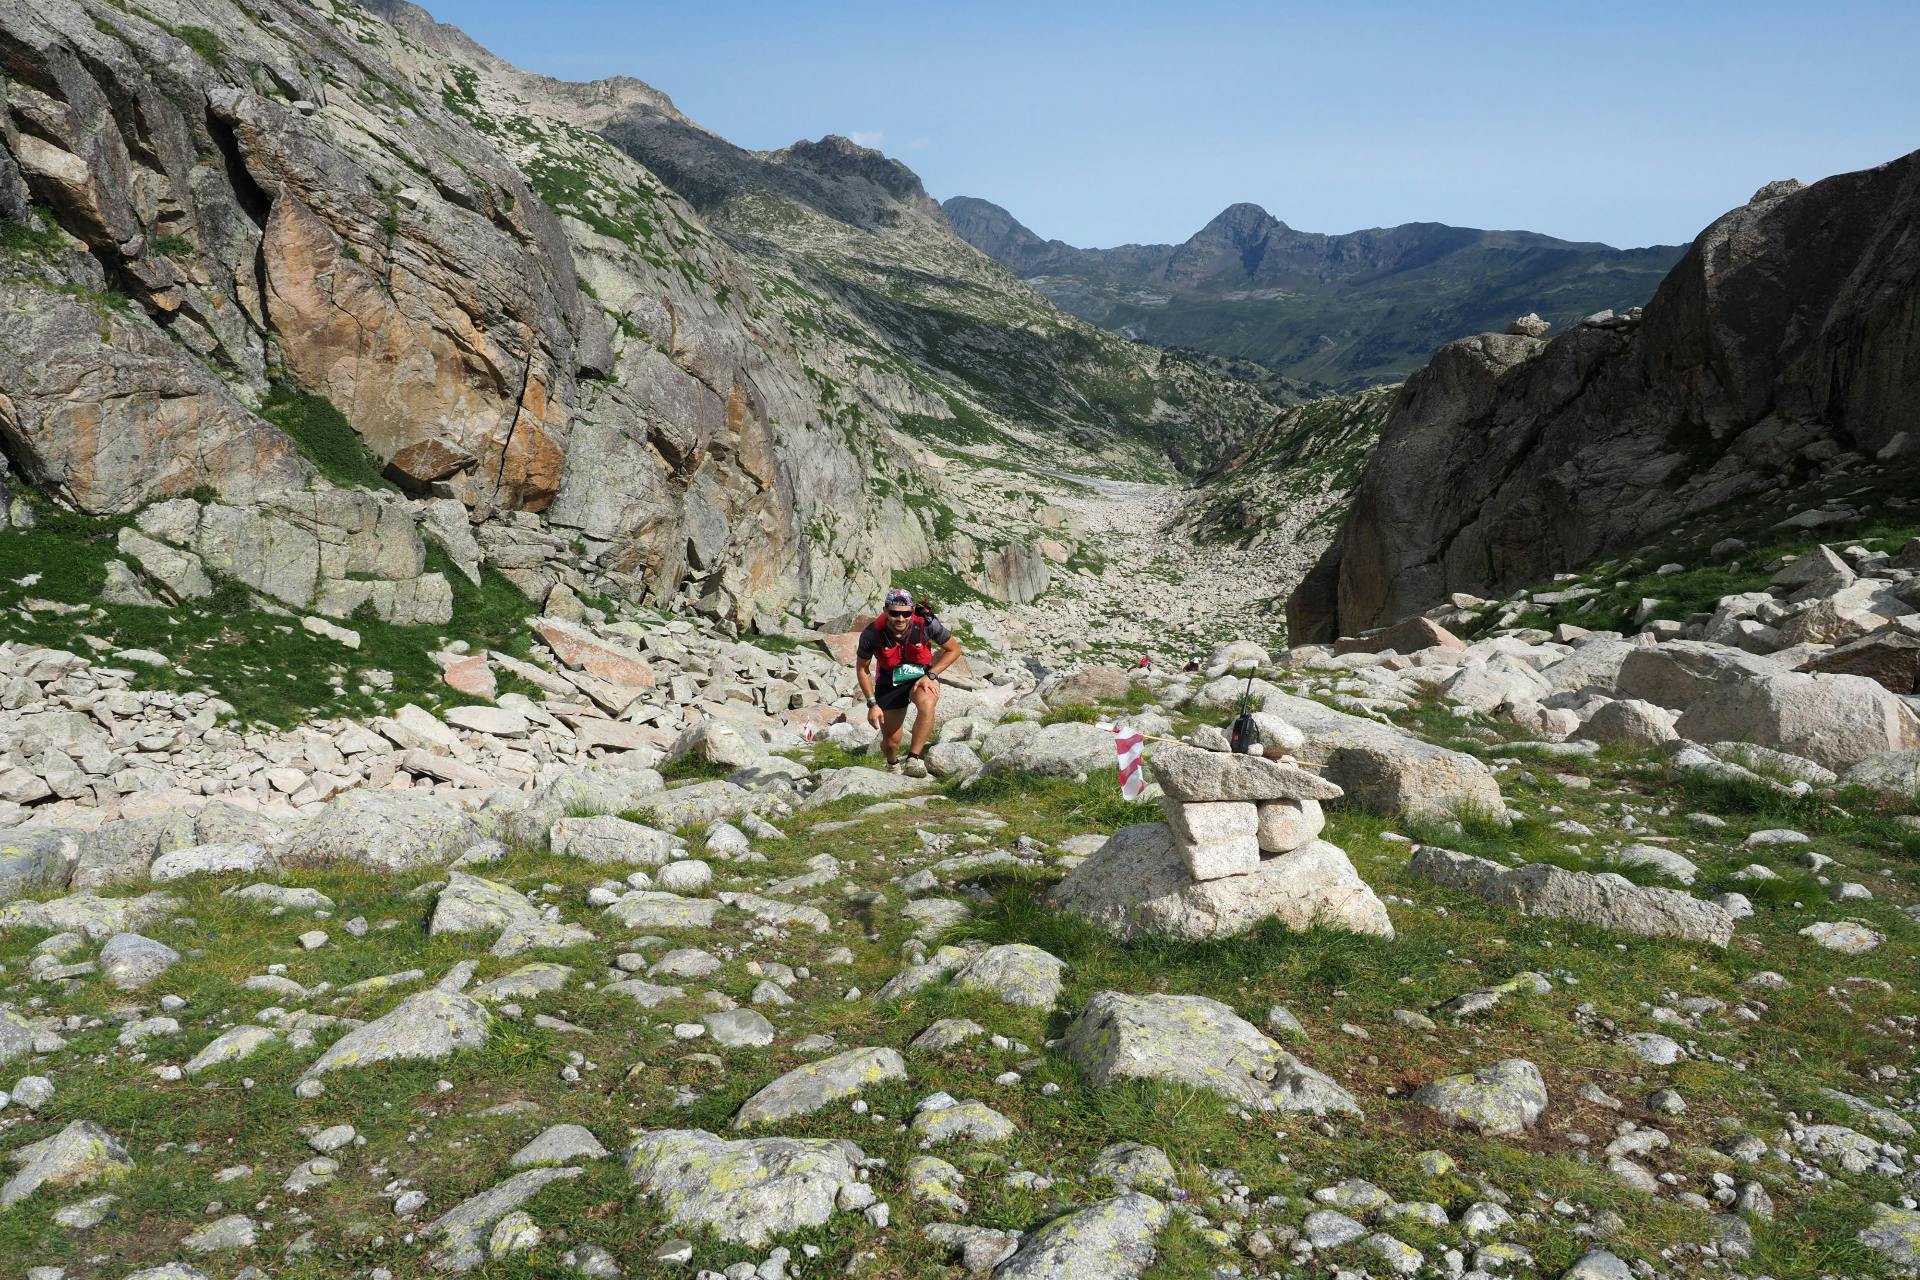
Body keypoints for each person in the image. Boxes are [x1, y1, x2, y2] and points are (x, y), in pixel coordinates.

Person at [856, 587, 963, 776]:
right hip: (890, 682)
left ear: (912, 611)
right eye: (894, 613)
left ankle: (913, 759)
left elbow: (954, 650)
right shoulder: (872, 633)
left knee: (928, 704)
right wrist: (872, 703)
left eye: (906, 614)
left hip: (920, 677)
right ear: (885, 610)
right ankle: (892, 763)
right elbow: (862, 668)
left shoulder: (927, 624)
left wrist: (932, 675)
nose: (900, 619)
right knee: (891, 742)